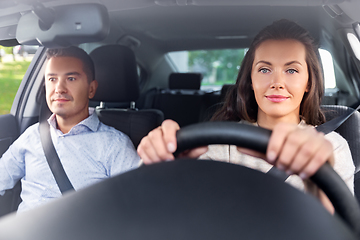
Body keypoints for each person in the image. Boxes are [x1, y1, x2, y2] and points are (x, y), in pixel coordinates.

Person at [137, 19, 355, 213]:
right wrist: (162, 166)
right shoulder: (222, 143)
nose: (276, 82)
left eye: (291, 70)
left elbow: (343, 229)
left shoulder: (331, 147)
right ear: (250, 79)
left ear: (309, 82)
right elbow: (182, 212)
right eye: (264, 70)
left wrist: (320, 186)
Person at [0, 46, 141, 212]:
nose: (59, 88)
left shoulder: (114, 145)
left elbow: (137, 206)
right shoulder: (32, 136)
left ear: (91, 89)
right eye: (52, 79)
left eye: (71, 78)